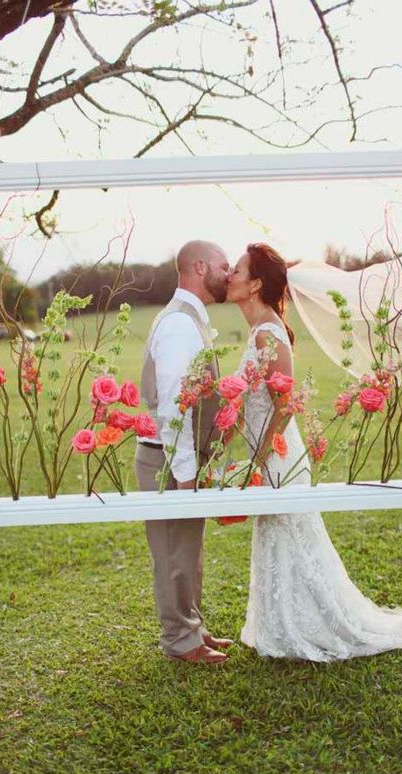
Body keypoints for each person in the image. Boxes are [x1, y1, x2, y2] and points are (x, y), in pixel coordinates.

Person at [227, 242, 402, 661]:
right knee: (279, 536)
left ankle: (315, 626)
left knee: (294, 536)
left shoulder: (268, 331)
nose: (230, 275)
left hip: (277, 452)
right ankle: (279, 625)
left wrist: (260, 460)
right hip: (267, 450)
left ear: (256, 283)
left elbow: (284, 405)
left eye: (238, 270)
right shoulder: (259, 328)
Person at [135, 240, 234, 664]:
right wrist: (187, 473)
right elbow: (176, 402)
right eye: (224, 265)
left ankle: (193, 628)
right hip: (168, 459)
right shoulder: (178, 323)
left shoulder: (191, 318)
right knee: (174, 554)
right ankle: (179, 641)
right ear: (199, 266)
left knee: (188, 551)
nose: (229, 273)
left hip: (178, 456)